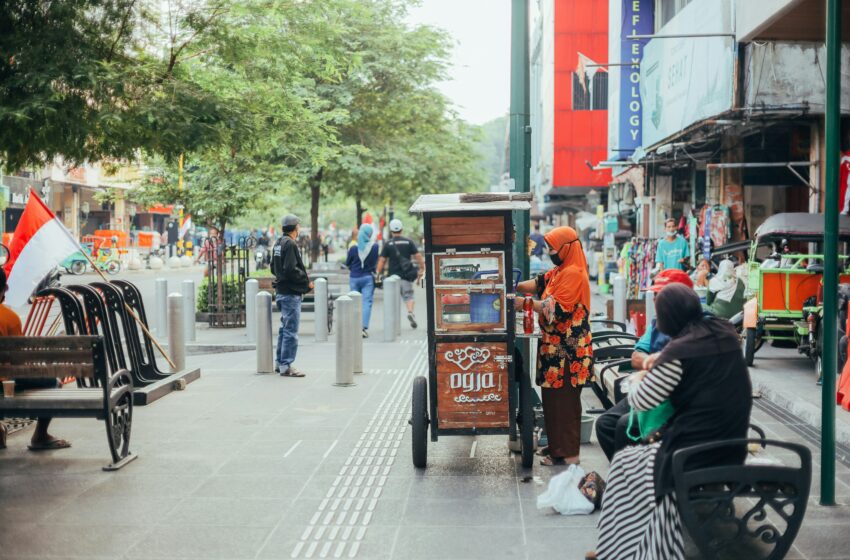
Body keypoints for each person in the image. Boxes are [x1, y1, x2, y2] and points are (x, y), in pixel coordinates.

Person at [590, 284, 752, 560]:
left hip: (693, 453)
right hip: (732, 444)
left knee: (624, 468)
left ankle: (622, 550)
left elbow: (642, 401)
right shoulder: (723, 332)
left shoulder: (680, 351)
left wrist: (639, 377)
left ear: (668, 317)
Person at [594, 268, 693, 461]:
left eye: (660, 295)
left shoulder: (698, 327)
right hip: (653, 387)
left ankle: (637, 475)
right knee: (605, 424)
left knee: (625, 426)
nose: (655, 301)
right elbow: (636, 357)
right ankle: (627, 475)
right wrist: (653, 362)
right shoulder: (659, 322)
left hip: (677, 398)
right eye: (655, 295)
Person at [514, 226, 592, 466]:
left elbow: (554, 308)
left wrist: (521, 303)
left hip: (569, 353)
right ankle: (557, 448)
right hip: (553, 350)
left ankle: (570, 457)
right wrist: (511, 283)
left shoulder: (574, 273)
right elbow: (537, 283)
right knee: (553, 402)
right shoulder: (559, 271)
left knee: (566, 405)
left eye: (552, 247)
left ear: (567, 248)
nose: (549, 252)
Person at [0, 268, 70, 451]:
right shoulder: (10, 318)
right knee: (54, 382)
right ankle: (40, 435)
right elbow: (18, 362)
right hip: (4, 383)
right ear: (5, 288)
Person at [270, 214, 313, 377]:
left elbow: (273, 268)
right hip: (290, 293)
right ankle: (286, 365)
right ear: (295, 228)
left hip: (281, 291)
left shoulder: (278, 243)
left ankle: (279, 363)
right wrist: (305, 281)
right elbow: (291, 269)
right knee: (290, 331)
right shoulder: (290, 244)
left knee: (284, 329)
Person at [376, 219, 424, 329]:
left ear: (391, 230)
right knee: (409, 296)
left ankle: (391, 322)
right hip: (406, 277)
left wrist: (378, 274)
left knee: (392, 300)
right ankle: (410, 312)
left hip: (392, 278)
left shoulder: (388, 244)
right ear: (401, 229)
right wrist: (422, 267)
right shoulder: (408, 242)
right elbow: (418, 256)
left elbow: (382, 260)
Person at [345, 223, 379, 338]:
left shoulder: (353, 248)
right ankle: (363, 327)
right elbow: (375, 263)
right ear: (369, 234)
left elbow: (347, 263)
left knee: (354, 302)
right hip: (368, 278)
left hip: (354, 277)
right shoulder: (375, 247)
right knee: (366, 302)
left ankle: (354, 326)